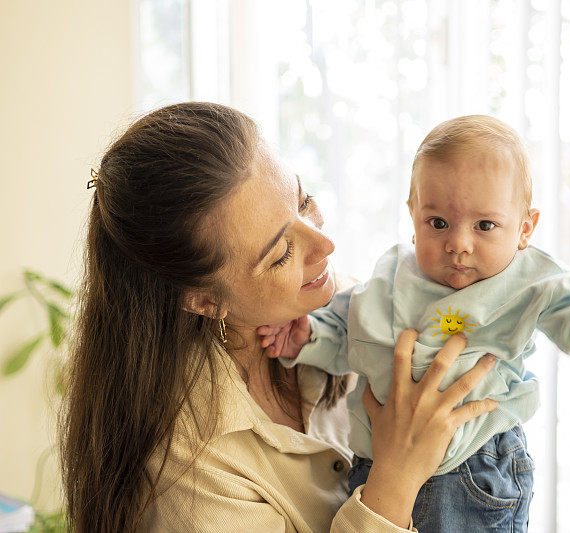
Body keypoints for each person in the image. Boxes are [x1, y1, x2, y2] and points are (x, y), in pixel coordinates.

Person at [60, 102, 501, 532]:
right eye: (281, 253)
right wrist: (397, 477)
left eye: (303, 200)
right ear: (203, 300)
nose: (324, 245)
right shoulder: (191, 476)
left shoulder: (343, 307)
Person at [259, 115, 570, 532]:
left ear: (525, 228)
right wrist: (308, 335)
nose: (458, 243)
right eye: (437, 223)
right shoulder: (389, 277)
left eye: (485, 225)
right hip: (377, 468)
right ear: (413, 214)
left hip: (474, 465)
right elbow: (352, 334)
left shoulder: (526, 279)